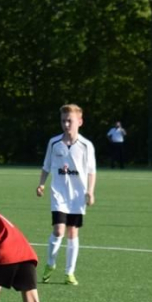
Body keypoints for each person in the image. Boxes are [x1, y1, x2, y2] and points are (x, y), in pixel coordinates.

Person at [36, 104, 97, 286]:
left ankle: (69, 273)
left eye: (70, 120)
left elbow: (92, 171)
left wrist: (90, 191)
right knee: (58, 230)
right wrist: (41, 184)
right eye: (63, 121)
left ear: (80, 121)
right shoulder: (54, 143)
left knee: (72, 232)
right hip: (59, 194)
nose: (66, 124)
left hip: (77, 196)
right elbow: (46, 166)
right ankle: (50, 263)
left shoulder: (86, 145)